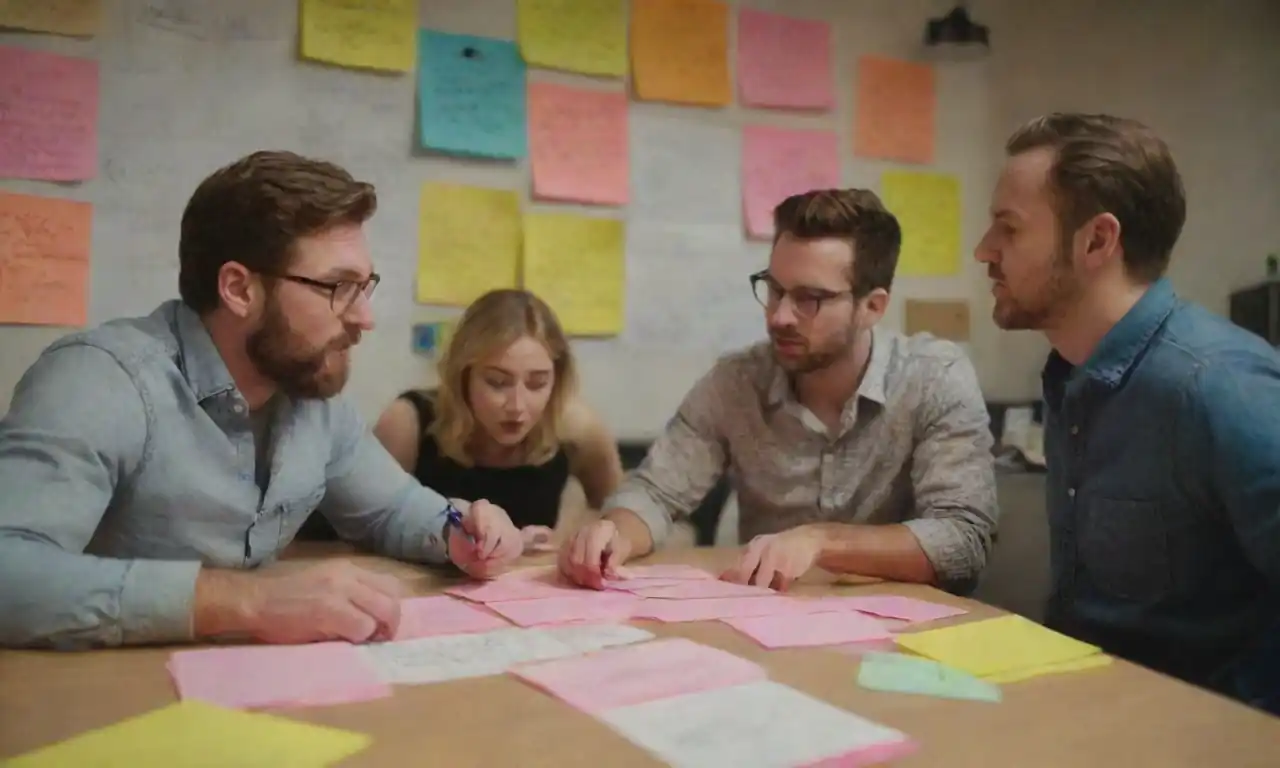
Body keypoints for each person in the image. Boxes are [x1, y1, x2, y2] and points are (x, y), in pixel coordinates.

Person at [0, 150, 523, 650]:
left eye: (366, 288)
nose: (365, 318)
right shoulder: (101, 380)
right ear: (239, 289)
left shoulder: (310, 393)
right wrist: (246, 601)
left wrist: (461, 532)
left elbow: (391, 510)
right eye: (338, 287)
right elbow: (9, 570)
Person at [975, 112, 1280, 714]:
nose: (983, 250)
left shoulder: (1219, 388)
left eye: (1007, 229)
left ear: (1096, 241)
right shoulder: (1072, 375)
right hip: (1085, 716)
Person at [560, 188, 999, 593]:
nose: (779, 317)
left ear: (872, 307)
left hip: (906, 637)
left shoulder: (934, 377)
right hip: (770, 626)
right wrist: (614, 531)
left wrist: (821, 541)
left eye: (809, 299)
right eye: (774, 290)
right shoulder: (736, 382)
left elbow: (963, 540)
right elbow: (656, 492)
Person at [373, 289, 624, 550]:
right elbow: (360, 531)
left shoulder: (576, 428)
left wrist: (569, 536)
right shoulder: (407, 423)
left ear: (558, 379)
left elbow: (618, 521)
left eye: (537, 384)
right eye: (497, 382)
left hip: (529, 586)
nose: (516, 405)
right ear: (463, 375)